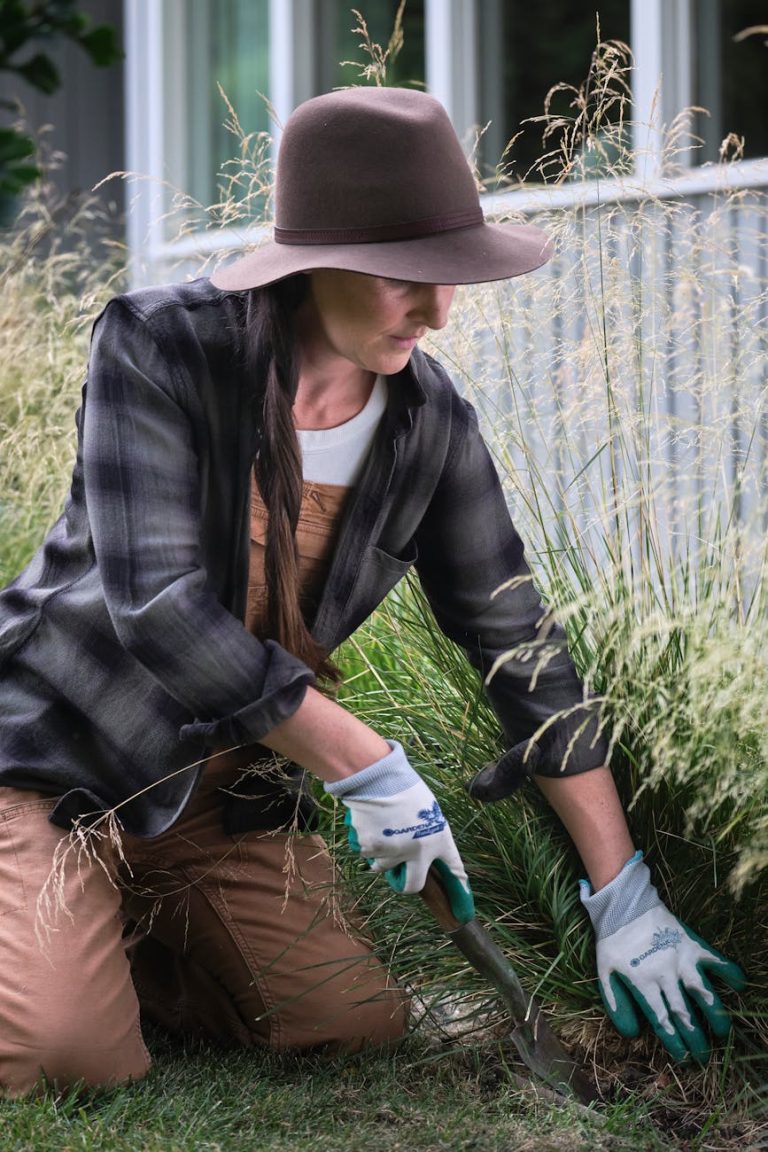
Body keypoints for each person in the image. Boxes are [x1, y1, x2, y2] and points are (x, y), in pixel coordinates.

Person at [0, 86, 744, 1097]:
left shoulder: (430, 424)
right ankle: (54, 922)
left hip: (224, 800)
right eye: (409, 277)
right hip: (58, 764)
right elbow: (159, 605)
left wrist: (623, 894)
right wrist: (367, 765)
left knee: (347, 1022)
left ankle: (106, 940)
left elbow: (520, 642)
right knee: (64, 1058)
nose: (439, 310)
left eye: (450, 278)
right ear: (318, 263)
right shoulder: (161, 347)